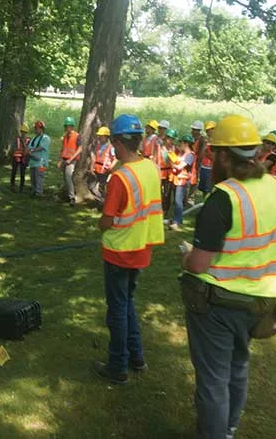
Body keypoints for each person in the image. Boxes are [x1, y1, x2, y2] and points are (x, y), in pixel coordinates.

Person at [180, 114, 276, 439]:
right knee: (238, 368)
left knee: (214, 379)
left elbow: (200, 263)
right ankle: (228, 429)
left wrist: (186, 254)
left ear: (226, 156)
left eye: (215, 153)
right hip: (262, 301)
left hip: (219, 304)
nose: (212, 159)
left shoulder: (223, 197)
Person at [94, 114, 164, 384]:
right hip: (141, 248)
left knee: (118, 310)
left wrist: (101, 223)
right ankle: (137, 357)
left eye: (113, 141)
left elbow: (107, 220)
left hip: (119, 251)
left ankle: (118, 366)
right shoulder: (150, 168)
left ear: (117, 143)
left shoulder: (120, 178)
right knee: (128, 304)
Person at [170, 133, 195, 231]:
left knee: (178, 201)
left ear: (186, 143)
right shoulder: (182, 154)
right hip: (178, 179)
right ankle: (176, 219)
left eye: (181, 142)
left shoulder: (190, 155)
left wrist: (172, 164)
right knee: (177, 201)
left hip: (183, 181)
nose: (180, 144)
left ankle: (177, 221)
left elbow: (180, 166)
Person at [87, 126, 116, 204]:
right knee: (91, 186)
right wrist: (91, 168)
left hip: (105, 171)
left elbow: (115, 159)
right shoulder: (98, 146)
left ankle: (103, 204)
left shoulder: (111, 147)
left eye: (101, 136)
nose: (99, 137)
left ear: (106, 137)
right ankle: (102, 201)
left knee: (102, 188)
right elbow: (94, 158)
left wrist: (111, 168)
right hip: (96, 169)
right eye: (99, 135)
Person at [58, 116, 82, 205]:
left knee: (68, 177)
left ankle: (72, 198)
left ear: (72, 126)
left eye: (68, 126)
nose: (66, 128)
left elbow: (80, 149)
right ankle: (67, 195)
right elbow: (63, 148)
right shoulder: (64, 136)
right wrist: (60, 160)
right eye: (65, 126)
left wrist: (71, 159)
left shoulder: (77, 136)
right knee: (65, 178)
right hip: (64, 159)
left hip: (71, 160)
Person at [26, 120, 51, 197]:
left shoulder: (46, 138)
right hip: (33, 162)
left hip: (41, 163)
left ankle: (39, 192)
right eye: (35, 128)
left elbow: (41, 147)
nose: (36, 130)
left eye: (37, 128)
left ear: (42, 129)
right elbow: (29, 147)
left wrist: (32, 150)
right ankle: (34, 191)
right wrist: (27, 151)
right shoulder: (34, 138)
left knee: (39, 177)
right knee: (33, 177)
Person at [161, 128, 179, 221]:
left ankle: (165, 211)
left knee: (167, 194)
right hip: (160, 172)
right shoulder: (159, 147)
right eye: (170, 139)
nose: (171, 141)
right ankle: (159, 209)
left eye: (173, 139)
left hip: (170, 173)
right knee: (160, 192)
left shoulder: (174, 148)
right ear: (166, 138)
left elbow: (177, 160)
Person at [197, 121, 216, 199]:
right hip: (204, 167)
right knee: (203, 188)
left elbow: (214, 157)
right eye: (207, 130)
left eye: (211, 129)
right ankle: (205, 203)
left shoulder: (217, 142)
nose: (209, 131)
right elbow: (200, 154)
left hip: (212, 168)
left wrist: (207, 153)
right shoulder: (205, 141)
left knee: (209, 189)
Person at [189, 121, 207, 202]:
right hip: (191, 161)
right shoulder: (192, 139)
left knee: (195, 179)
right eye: (192, 129)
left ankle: (191, 196)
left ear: (199, 131)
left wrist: (197, 164)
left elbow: (202, 153)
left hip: (197, 162)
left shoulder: (202, 140)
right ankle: (188, 196)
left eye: (194, 129)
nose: (192, 131)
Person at [10, 124, 30, 192]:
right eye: (22, 132)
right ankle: (12, 184)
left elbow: (28, 149)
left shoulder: (28, 140)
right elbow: (13, 148)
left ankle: (22, 186)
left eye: (24, 132)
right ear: (20, 131)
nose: (23, 133)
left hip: (24, 158)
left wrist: (24, 143)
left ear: (27, 132)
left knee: (22, 172)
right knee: (14, 171)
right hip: (16, 157)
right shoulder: (17, 139)